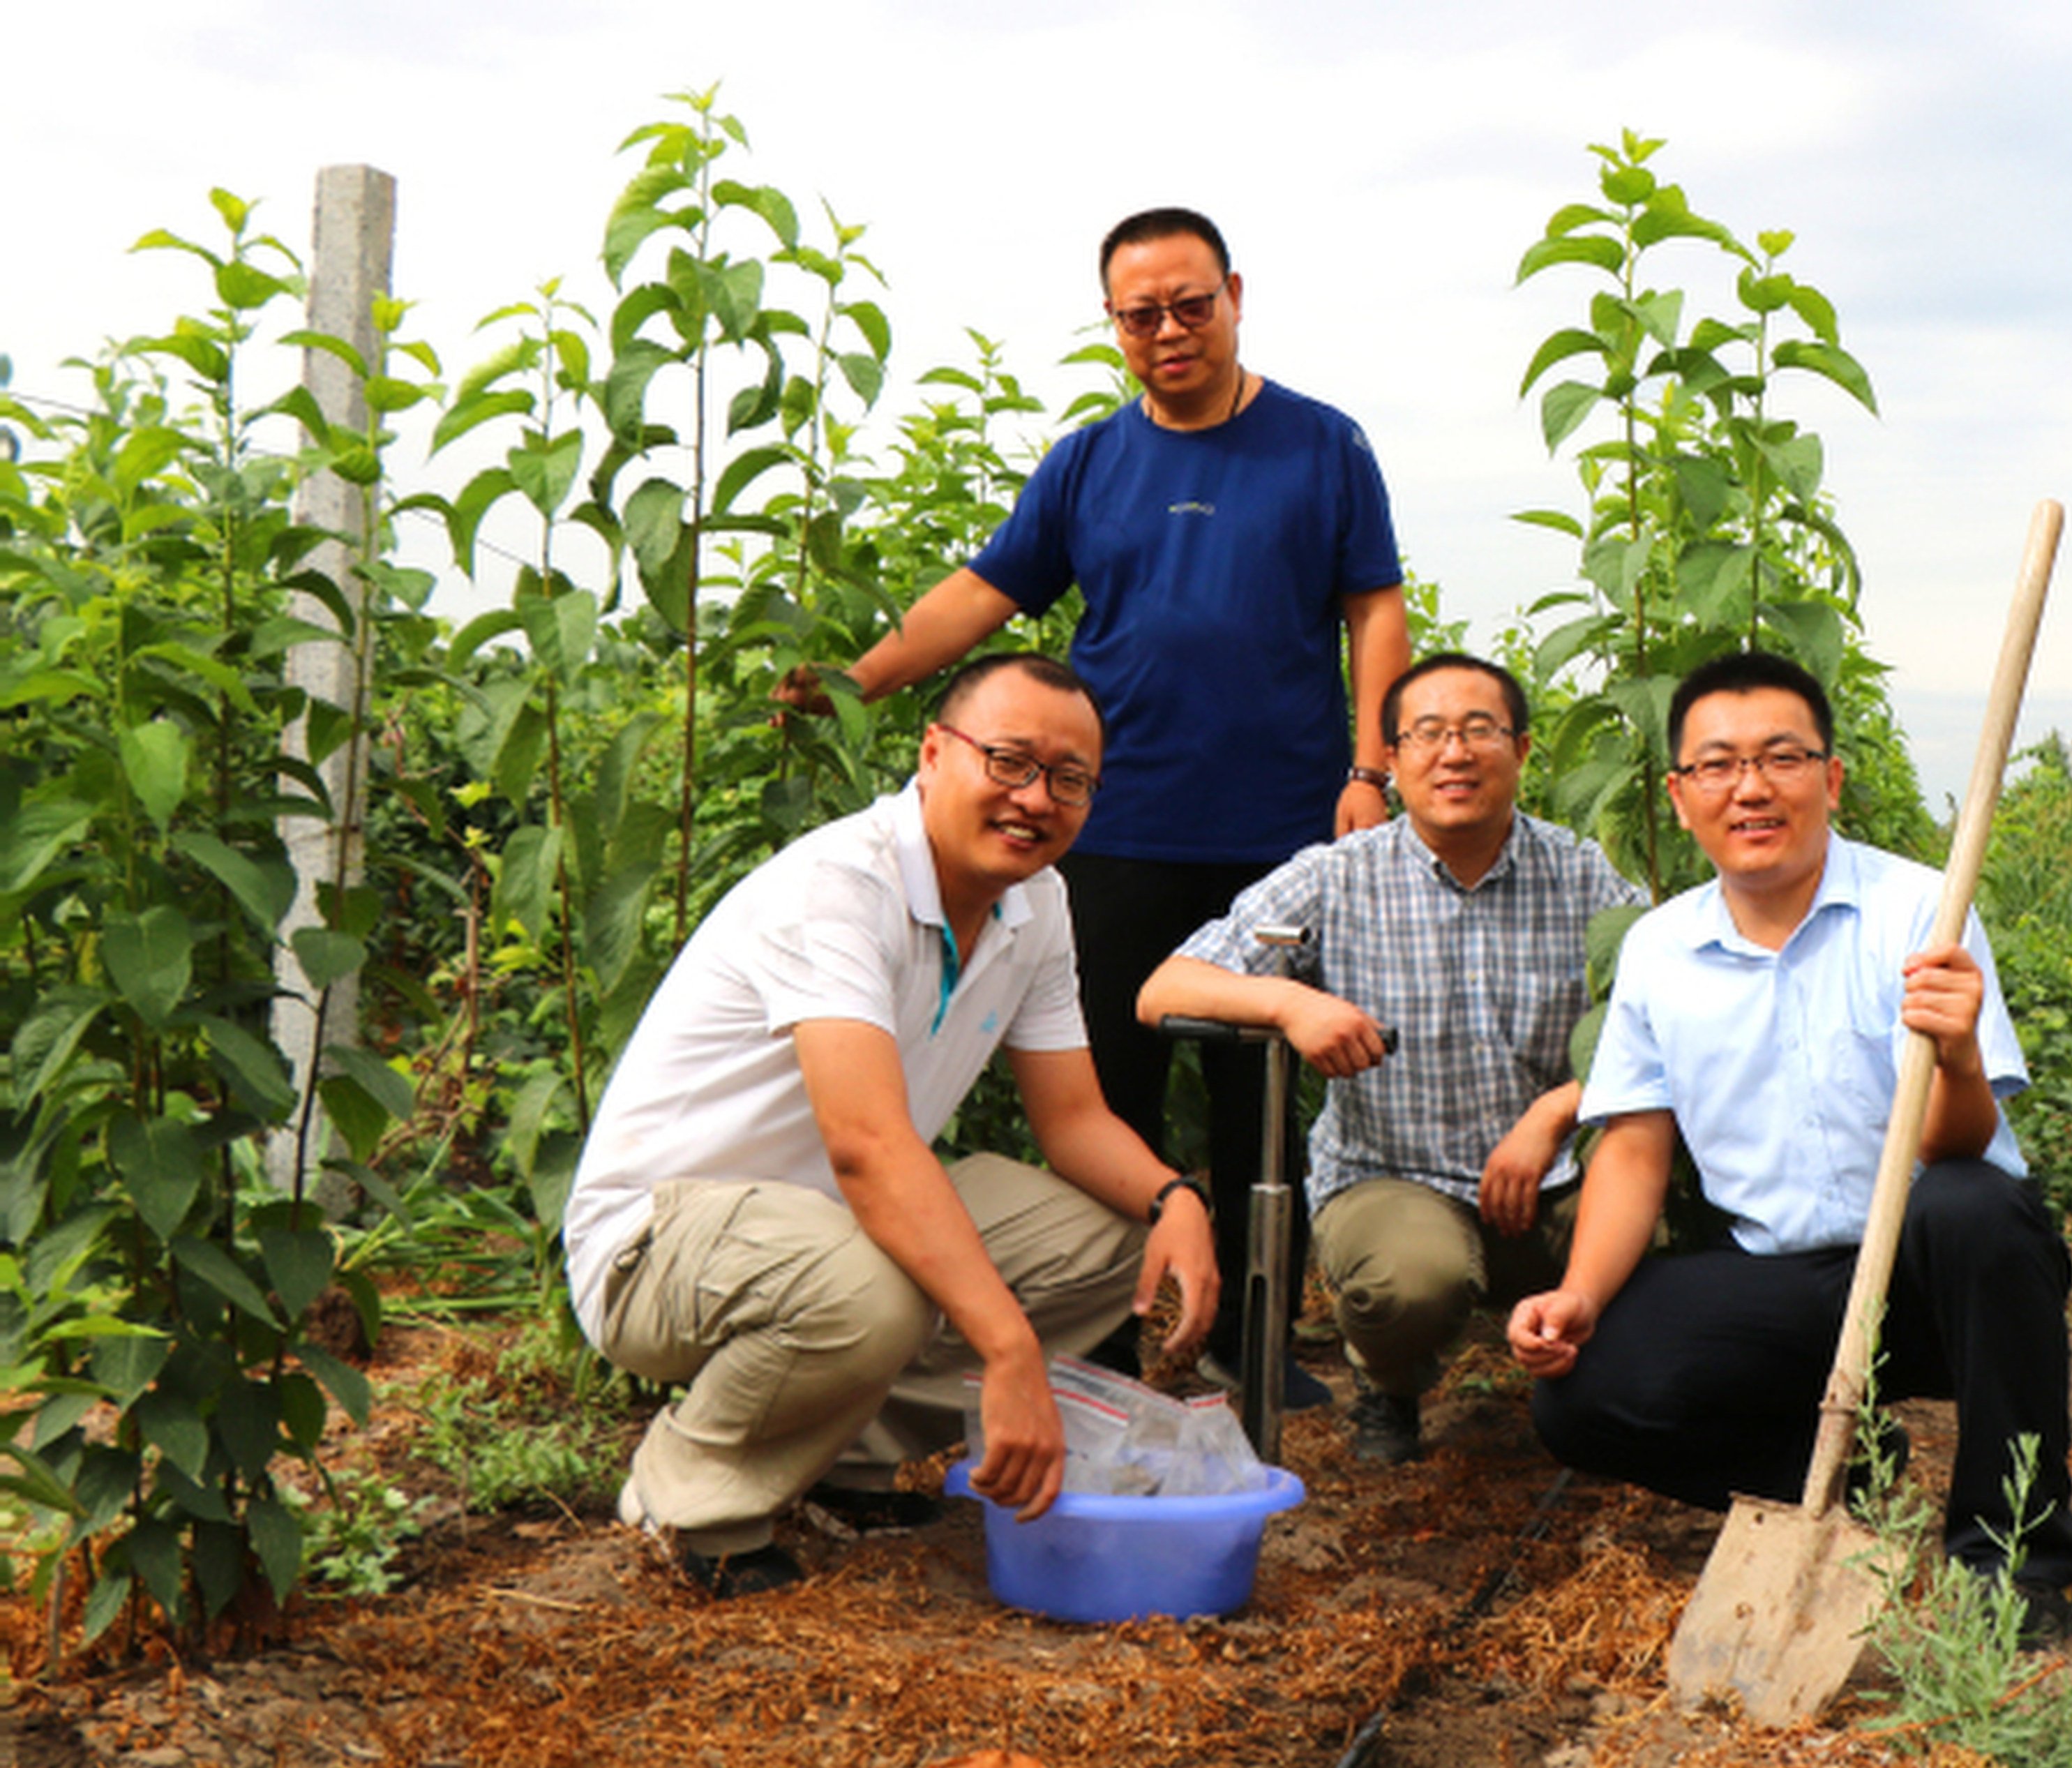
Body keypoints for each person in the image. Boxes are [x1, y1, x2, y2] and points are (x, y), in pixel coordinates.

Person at [782, 207, 1405, 1398]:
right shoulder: (1089, 460)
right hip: (1109, 822)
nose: (1168, 331)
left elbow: (1374, 606)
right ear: (1112, 323)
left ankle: (1258, 1341)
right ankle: (1113, 1336)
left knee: (1256, 1099)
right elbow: (986, 591)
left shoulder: (1322, 447)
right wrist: (859, 681)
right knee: (1105, 1082)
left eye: (1190, 305)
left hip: (1280, 829)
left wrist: (1366, 771)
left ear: (1234, 294)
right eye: (1140, 314)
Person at [566, 654, 1221, 1598]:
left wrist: (1178, 1199)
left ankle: (842, 1451)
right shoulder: (838, 887)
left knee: (1110, 1239)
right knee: (875, 1286)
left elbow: (1074, 1119)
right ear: (931, 754)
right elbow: (868, 1148)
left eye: (1069, 779)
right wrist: (1009, 1351)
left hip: (827, 1227)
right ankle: (689, 1499)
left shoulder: (1036, 903)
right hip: (658, 1239)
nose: (1036, 797)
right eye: (1008, 760)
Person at [1506, 650, 2072, 1643]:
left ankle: (2013, 1561)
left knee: (1973, 1204)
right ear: (1681, 796)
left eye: (1782, 756)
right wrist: (1581, 1295)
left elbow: (1967, 1142)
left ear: (1831, 778)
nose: (1752, 787)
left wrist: (1955, 1059)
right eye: (1720, 765)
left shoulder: (1920, 910)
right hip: (1787, 1283)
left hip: (1935, 1277)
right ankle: (1849, 1476)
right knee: (1581, 1396)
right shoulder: (1660, 949)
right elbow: (1636, 1153)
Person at [1136, 654, 1644, 1462]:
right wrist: (1291, 1001)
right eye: (1429, 734)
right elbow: (1164, 988)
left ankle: (1586, 1379)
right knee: (1404, 1286)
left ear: (1522, 749)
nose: (1455, 753)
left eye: (1480, 730)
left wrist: (1553, 1114)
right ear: (1393, 760)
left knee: (1650, 1259)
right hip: (1393, 1176)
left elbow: (1672, 1020)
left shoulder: (1583, 876)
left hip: (1552, 1174)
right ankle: (1389, 1381)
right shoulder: (1338, 877)